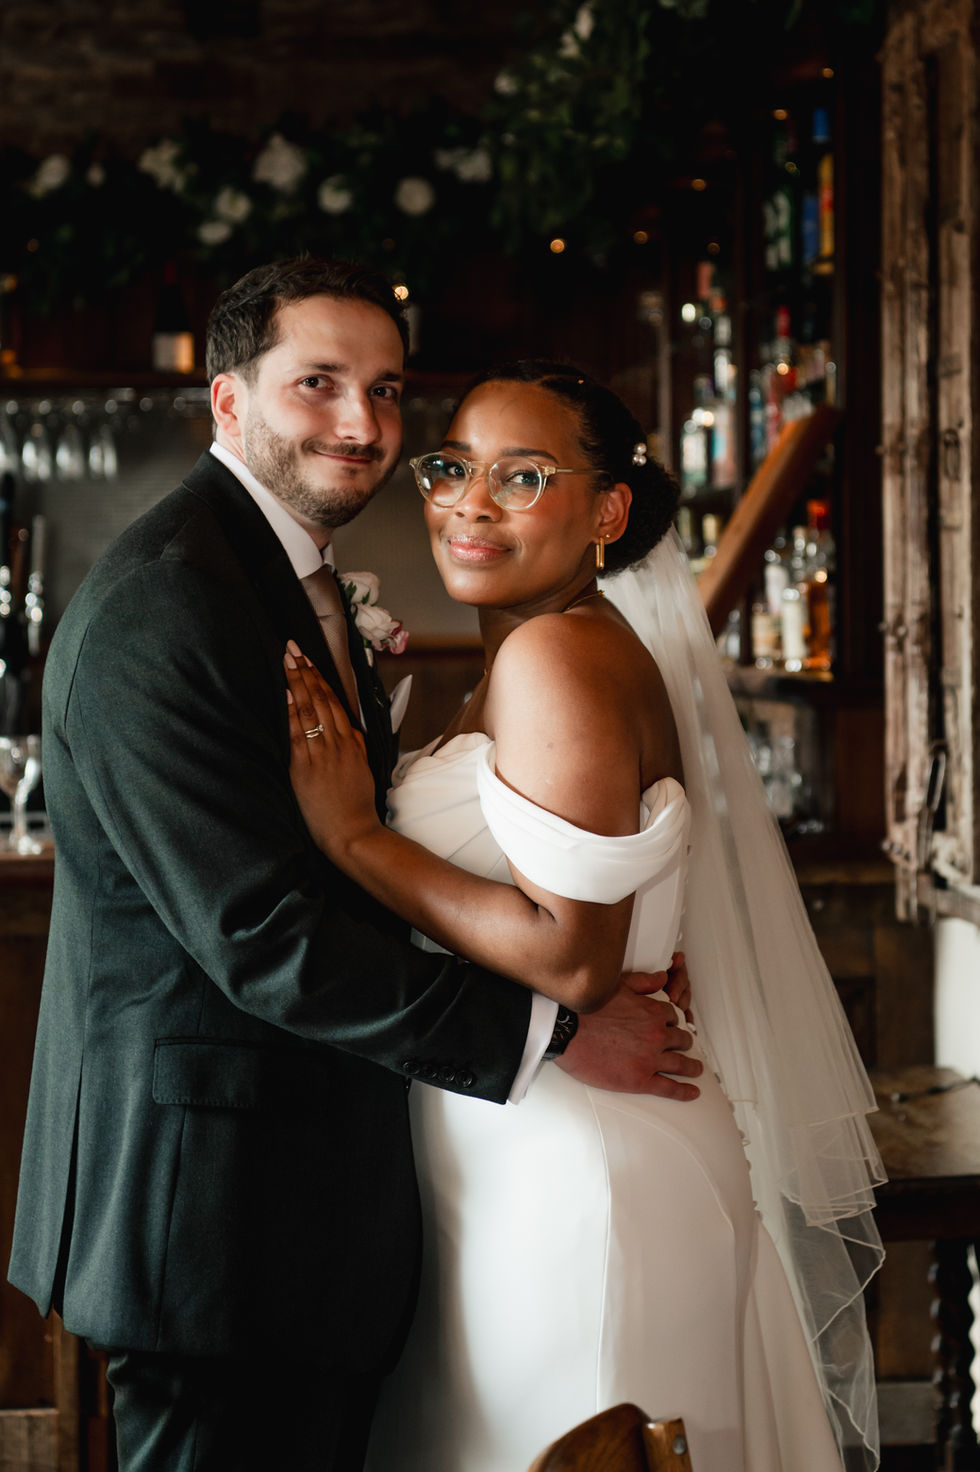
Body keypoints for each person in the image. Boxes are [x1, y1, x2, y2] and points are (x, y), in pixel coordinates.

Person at [6, 264, 703, 1472]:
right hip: (210, 1205)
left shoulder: (284, 580)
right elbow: (261, 929)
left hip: (317, 1199)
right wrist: (540, 1032)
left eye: (383, 390)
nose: (362, 424)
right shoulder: (170, 602)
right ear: (227, 402)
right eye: (316, 384)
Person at [282, 359, 887, 1472]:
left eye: (522, 475)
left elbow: (571, 954)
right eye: (453, 466)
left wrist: (355, 837)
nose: (469, 500)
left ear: (606, 509)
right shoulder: (549, 643)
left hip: (580, 1181)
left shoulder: (556, 655)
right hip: (535, 1149)